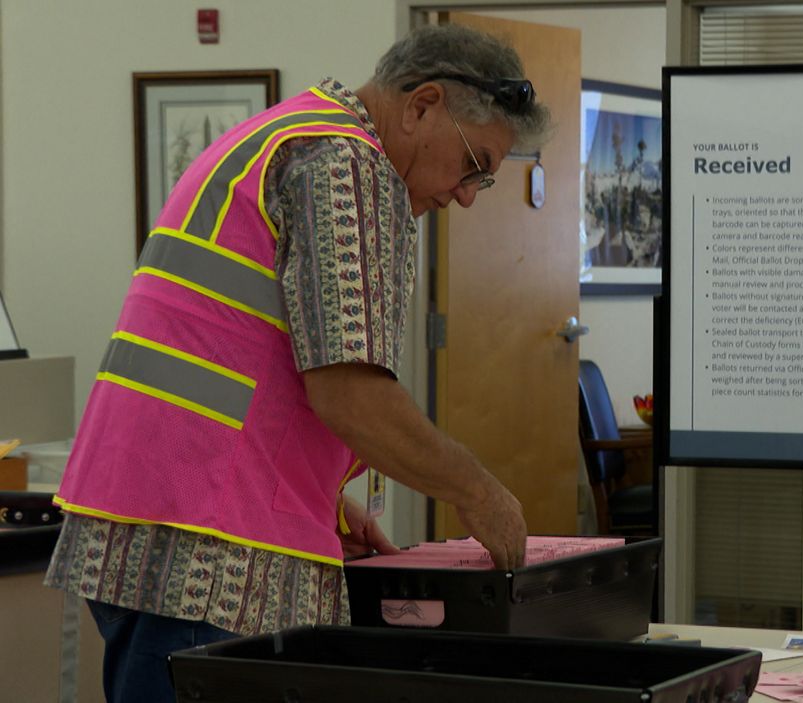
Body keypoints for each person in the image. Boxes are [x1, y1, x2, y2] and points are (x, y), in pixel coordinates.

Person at [43, 24, 550, 703]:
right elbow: (350, 394)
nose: (466, 194)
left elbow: (245, 354)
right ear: (422, 105)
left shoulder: (287, 136)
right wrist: (477, 491)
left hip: (153, 520)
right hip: (210, 550)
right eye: (473, 163)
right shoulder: (347, 164)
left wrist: (318, 491)